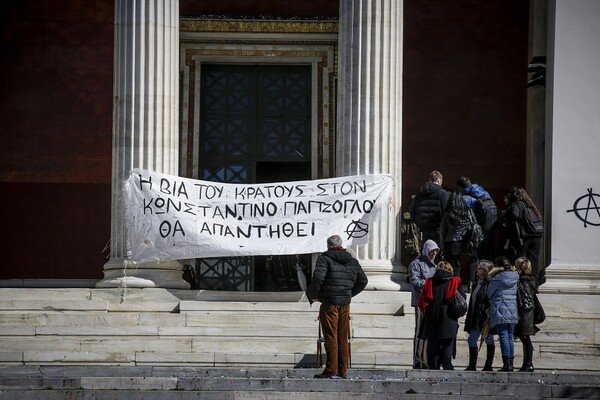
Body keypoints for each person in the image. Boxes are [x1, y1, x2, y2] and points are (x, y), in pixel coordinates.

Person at [307, 235, 368, 379]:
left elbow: (318, 279)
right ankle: (342, 370)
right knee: (342, 337)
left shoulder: (324, 259)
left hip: (329, 302)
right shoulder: (352, 261)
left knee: (330, 336)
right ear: (342, 245)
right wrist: (349, 294)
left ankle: (331, 369)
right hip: (345, 303)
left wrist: (314, 295)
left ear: (328, 246)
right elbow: (363, 280)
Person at [418, 260, 465, 370]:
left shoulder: (430, 282)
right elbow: (462, 300)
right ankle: (447, 372)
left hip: (432, 319)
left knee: (433, 349)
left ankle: (434, 371)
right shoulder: (455, 282)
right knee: (447, 349)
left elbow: (422, 301)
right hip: (449, 320)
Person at [408, 239, 439, 369]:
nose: (434, 254)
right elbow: (415, 282)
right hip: (421, 302)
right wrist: (431, 283)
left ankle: (427, 358)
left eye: (436, 251)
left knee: (431, 331)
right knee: (420, 331)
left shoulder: (435, 266)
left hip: (432, 302)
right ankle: (417, 359)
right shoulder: (416, 264)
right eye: (432, 251)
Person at [504, 186, 544, 284]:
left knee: (521, 259)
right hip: (536, 235)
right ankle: (534, 281)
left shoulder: (516, 204)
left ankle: (520, 281)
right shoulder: (530, 205)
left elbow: (515, 215)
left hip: (525, 237)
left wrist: (507, 219)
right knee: (533, 259)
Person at [487, 256, 520, 372]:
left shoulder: (496, 279)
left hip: (500, 309)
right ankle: (510, 363)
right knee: (510, 336)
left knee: (503, 336)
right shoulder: (516, 276)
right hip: (513, 309)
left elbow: (489, 293)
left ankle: (506, 364)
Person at [457, 176, 498, 266]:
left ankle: (478, 276)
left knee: (476, 256)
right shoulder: (485, 193)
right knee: (488, 254)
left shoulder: (465, 198)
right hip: (489, 227)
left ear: (460, 188)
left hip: (475, 231)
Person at [463, 259, 495, 371]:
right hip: (475, 317)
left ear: (486, 271)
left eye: (480, 268)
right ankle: (472, 365)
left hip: (485, 318)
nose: (477, 269)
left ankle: (488, 365)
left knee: (489, 339)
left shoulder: (490, 284)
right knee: (472, 339)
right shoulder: (477, 283)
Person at [439, 191, 478, 279]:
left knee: (452, 264)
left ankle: (454, 283)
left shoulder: (448, 213)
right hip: (466, 241)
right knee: (470, 261)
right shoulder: (468, 211)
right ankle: (470, 282)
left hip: (451, 242)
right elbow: (474, 224)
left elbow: (442, 232)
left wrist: (442, 248)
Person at [410, 170, 449, 249]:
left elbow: (412, 210)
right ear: (439, 180)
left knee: (426, 252)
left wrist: (419, 224)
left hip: (424, 229)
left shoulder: (419, 193)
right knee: (437, 252)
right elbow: (447, 211)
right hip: (438, 229)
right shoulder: (443, 193)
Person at [514, 257, 539, 372]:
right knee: (525, 338)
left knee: (525, 338)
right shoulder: (532, 280)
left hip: (524, 313)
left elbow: (522, 299)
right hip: (529, 313)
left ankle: (528, 363)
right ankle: (527, 363)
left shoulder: (522, 282)